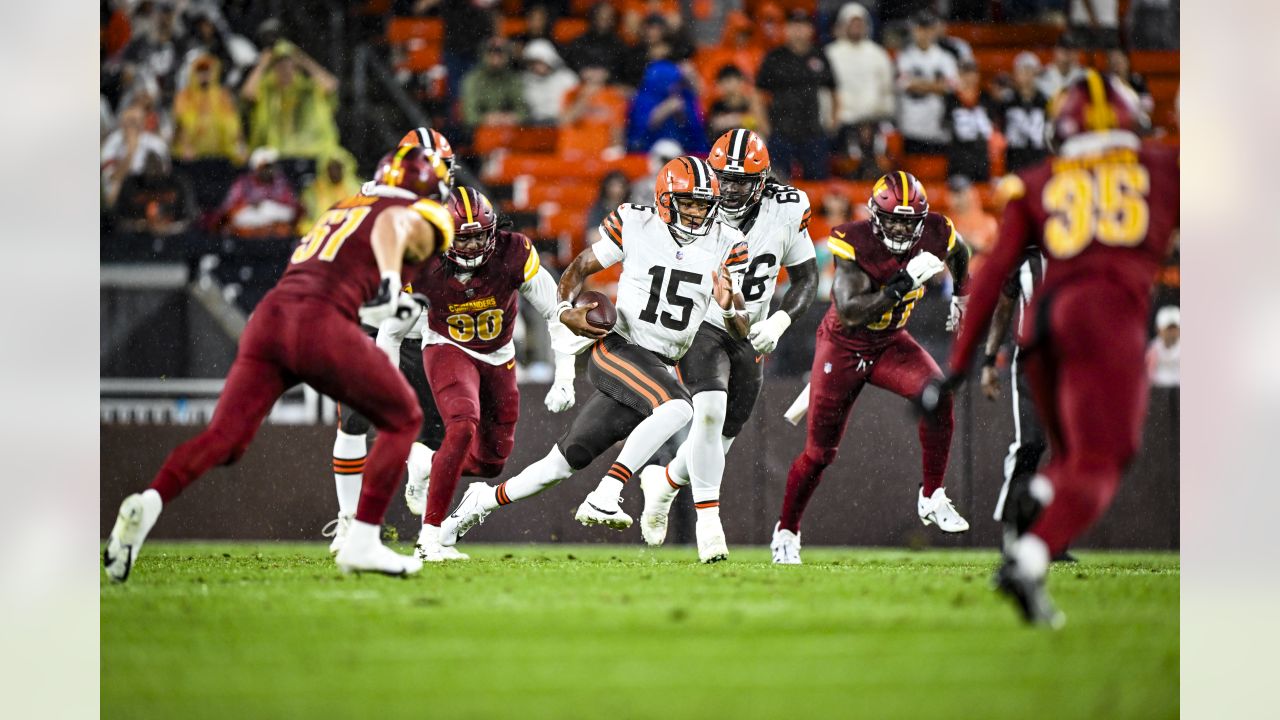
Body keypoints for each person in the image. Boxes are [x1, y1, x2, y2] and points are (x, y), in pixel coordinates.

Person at [103, 146, 457, 581]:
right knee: (403, 418)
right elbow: (393, 222)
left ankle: (148, 505)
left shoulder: (342, 207)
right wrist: (387, 288)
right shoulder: (404, 211)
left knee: (225, 439)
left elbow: (325, 269)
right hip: (318, 322)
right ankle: (362, 540)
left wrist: (376, 304)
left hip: (270, 318)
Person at [931, 70, 1179, 626]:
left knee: (1067, 455)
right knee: (1101, 456)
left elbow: (989, 273)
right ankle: (1033, 536)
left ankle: (1036, 504)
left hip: (1040, 331)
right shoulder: (1164, 166)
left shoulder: (1037, 183)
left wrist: (960, 363)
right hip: (1105, 319)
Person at [437, 156, 750, 546]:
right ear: (666, 199)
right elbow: (580, 268)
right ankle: (606, 494)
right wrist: (566, 310)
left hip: (658, 367)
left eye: (703, 204)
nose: (695, 212)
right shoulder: (637, 223)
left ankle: (478, 503)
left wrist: (728, 305)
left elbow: (741, 329)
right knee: (678, 408)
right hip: (618, 349)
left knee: (559, 465)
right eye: (687, 202)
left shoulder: (728, 243)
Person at [772, 171, 972, 565]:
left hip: (890, 342)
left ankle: (931, 496)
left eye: (908, 221)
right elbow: (848, 313)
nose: (900, 228)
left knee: (937, 395)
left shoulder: (936, 230)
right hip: (842, 346)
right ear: (875, 215)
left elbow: (961, 252)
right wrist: (900, 284)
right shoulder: (853, 240)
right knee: (819, 453)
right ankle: (786, 532)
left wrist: (961, 297)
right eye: (893, 219)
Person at [638, 130, 820, 562]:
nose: (731, 188)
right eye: (725, 178)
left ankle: (664, 481)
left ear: (763, 180)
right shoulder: (696, 207)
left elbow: (807, 277)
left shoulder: (787, 209)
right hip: (700, 322)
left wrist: (779, 319)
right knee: (710, 411)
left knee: (720, 440)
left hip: (748, 330)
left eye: (741, 180)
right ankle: (709, 525)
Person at [396, 187, 578, 560]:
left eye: (481, 235)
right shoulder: (421, 260)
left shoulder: (513, 252)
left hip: (499, 355)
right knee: (462, 424)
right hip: (448, 347)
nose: (475, 244)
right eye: (465, 238)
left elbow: (556, 312)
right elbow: (392, 330)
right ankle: (430, 538)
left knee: (491, 462)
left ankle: (426, 464)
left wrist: (566, 375)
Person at [324, 128, 456, 554]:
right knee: (357, 419)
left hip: (425, 332)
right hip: (369, 320)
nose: (433, 177)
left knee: (436, 435)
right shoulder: (372, 202)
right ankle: (348, 520)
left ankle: (423, 519)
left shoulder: (454, 207)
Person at [755, 10, 835, 179]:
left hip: (814, 132)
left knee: (816, 183)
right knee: (777, 184)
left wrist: (833, 120)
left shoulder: (819, 55)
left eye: (803, 25)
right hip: (781, 132)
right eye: (794, 25)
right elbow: (757, 93)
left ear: (811, 29)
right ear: (786, 29)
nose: (798, 30)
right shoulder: (774, 57)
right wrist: (763, 124)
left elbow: (833, 90)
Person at [241, 40, 341, 161]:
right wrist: (262, 64)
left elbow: (331, 86)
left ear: (296, 67)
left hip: (311, 153)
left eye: (289, 64)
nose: (285, 69)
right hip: (276, 154)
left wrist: (304, 60)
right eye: (280, 65)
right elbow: (247, 94)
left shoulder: (307, 88)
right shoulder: (268, 89)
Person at [825, 3, 895, 136]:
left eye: (860, 23)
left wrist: (884, 115)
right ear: (843, 24)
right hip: (841, 123)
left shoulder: (878, 54)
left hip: (873, 122)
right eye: (852, 22)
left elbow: (887, 89)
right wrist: (829, 120)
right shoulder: (830, 54)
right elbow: (826, 91)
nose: (856, 27)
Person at [895, 11, 958, 155]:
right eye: (920, 28)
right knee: (911, 174)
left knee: (935, 173)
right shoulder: (904, 56)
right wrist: (936, 85)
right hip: (910, 125)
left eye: (927, 28)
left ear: (934, 30)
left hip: (938, 126)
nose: (924, 33)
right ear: (914, 30)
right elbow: (904, 84)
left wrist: (917, 83)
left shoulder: (945, 58)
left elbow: (950, 87)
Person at [171, 53, 245, 164]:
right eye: (200, 71)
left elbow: (234, 125)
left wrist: (239, 148)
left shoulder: (222, 96)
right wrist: (185, 147)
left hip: (221, 155)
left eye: (207, 70)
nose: (204, 75)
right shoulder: (184, 96)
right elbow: (180, 126)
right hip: (193, 157)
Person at [213, 147, 301, 238]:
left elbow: (294, 209)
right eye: (266, 166)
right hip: (247, 231)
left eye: (272, 166)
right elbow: (227, 211)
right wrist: (250, 205)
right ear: (257, 167)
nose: (270, 170)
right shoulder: (243, 183)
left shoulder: (280, 183)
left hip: (275, 231)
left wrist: (269, 206)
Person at [626, 60, 707, 154]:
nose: (675, 85)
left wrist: (683, 115)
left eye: (677, 81)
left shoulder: (683, 95)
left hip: (685, 151)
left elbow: (696, 130)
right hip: (648, 152)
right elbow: (640, 130)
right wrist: (665, 109)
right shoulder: (642, 99)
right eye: (672, 81)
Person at [112, 150, 198, 236]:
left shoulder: (178, 182)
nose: (154, 170)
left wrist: (169, 227)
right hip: (139, 237)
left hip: (174, 236)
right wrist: (143, 225)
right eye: (150, 166)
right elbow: (119, 220)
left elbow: (190, 218)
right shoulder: (132, 183)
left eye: (157, 165)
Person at [102, 103, 171, 208]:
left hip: (147, 192)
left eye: (136, 121)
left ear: (143, 122)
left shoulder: (156, 144)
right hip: (120, 195)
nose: (132, 125)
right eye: (129, 120)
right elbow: (111, 178)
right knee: (114, 188)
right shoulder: (112, 142)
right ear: (122, 122)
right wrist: (130, 153)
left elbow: (165, 175)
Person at [997, 52, 1051, 173]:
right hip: (1014, 161)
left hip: (1038, 160)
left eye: (1030, 70)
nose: (1027, 75)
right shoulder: (1007, 101)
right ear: (1016, 74)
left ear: (1036, 73)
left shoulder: (1045, 101)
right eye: (1023, 70)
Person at [943, 61, 996, 181]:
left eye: (972, 72)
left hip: (981, 158)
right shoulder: (951, 99)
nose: (969, 77)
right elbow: (945, 125)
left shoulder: (986, 97)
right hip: (959, 158)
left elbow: (994, 125)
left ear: (977, 75)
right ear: (959, 75)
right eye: (965, 73)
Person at [460, 38, 528, 129]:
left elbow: (524, 112)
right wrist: (486, 119)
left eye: (500, 53)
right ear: (483, 55)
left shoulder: (514, 79)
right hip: (478, 133)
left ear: (508, 56)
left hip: (509, 131)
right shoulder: (473, 80)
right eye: (491, 52)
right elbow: (469, 115)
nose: (496, 58)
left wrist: (512, 118)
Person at [300, 149, 362, 232]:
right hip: (320, 235)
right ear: (324, 170)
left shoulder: (357, 189)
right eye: (330, 168)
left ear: (345, 168)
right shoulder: (313, 191)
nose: (334, 172)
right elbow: (306, 221)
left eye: (338, 167)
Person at [522, 39, 578, 125]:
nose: (536, 66)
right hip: (534, 125)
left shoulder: (567, 78)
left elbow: (576, 103)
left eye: (538, 62)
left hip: (561, 125)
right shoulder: (526, 80)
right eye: (532, 63)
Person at [705, 65, 769, 140]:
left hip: (749, 146)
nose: (727, 86)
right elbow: (711, 130)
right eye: (723, 82)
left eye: (729, 81)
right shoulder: (717, 106)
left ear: (741, 81)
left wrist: (736, 120)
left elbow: (765, 129)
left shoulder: (750, 103)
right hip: (724, 147)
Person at [562, 3, 625, 76]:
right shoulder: (579, 41)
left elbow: (622, 69)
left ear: (614, 20)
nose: (604, 20)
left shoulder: (620, 45)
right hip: (581, 81)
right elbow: (571, 63)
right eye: (601, 17)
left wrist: (607, 75)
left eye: (608, 17)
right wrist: (582, 71)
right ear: (593, 17)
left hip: (609, 84)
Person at [1147, 306, 1180, 388]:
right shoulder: (1151, 350)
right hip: (1156, 393)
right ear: (1159, 329)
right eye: (1168, 329)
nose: (1171, 332)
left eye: (1174, 328)